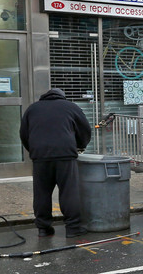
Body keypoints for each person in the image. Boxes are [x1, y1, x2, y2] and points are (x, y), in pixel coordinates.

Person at [19, 88, 92, 237]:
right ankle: (72, 228)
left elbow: (24, 134)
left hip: (40, 156)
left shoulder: (32, 109)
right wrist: (80, 146)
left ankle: (43, 228)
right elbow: (85, 130)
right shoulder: (71, 107)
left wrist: (34, 150)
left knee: (42, 193)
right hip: (64, 155)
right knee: (68, 191)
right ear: (62, 97)